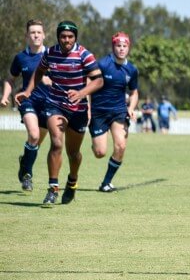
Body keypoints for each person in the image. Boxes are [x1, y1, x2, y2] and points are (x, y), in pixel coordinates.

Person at [15, 20, 103, 206]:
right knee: (56, 143)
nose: (66, 40)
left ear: (75, 38)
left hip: (78, 109)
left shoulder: (84, 55)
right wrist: (28, 91)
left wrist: (81, 93)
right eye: (63, 36)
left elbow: (98, 81)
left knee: (74, 153)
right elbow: (39, 71)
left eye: (70, 37)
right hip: (55, 104)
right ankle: (53, 188)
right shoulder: (50, 53)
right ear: (58, 37)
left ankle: (72, 180)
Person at [1, 19, 51, 192]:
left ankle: (25, 162)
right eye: (32, 32)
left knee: (35, 143)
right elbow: (10, 79)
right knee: (34, 135)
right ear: (27, 36)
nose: (36, 35)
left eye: (39, 32)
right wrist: (5, 96)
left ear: (44, 35)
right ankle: (27, 175)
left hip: (48, 104)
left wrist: (50, 80)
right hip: (27, 101)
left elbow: (63, 79)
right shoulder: (20, 58)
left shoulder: (52, 55)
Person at [89, 32, 139, 192]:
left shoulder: (131, 69)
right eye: (119, 45)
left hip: (119, 112)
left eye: (125, 46)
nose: (122, 49)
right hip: (99, 112)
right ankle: (96, 142)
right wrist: (87, 108)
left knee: (121, 146)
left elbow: (134, 93)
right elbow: (88, 84)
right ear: (113, 46)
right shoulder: (102, 64)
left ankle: (106, 183)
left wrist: (131, 109)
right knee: (100, 152)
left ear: (128, 47)